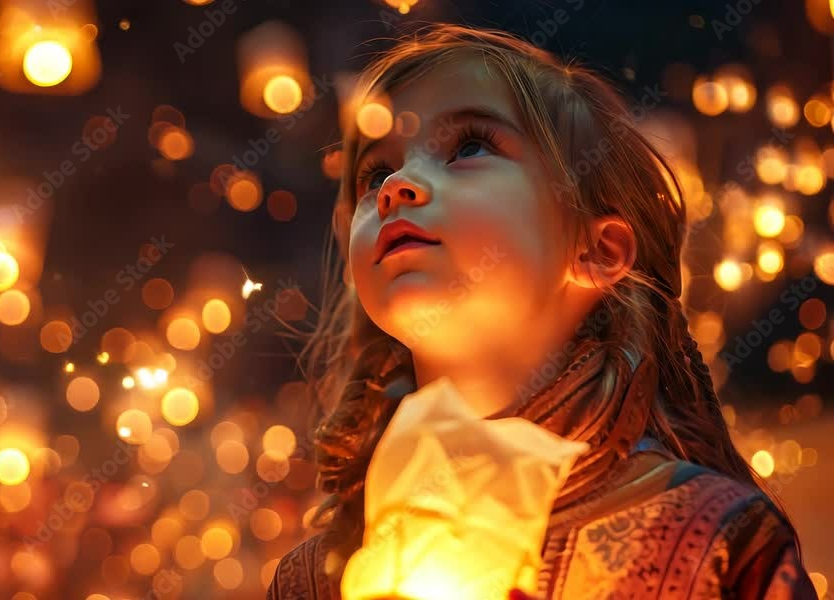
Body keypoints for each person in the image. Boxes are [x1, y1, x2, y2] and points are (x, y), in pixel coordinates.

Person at [266, 23, 818, 600]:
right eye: (375, 172)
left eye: (470, 146)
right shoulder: (314, 578)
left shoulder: (713, 536)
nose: (397, 185)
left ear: (597, 250)